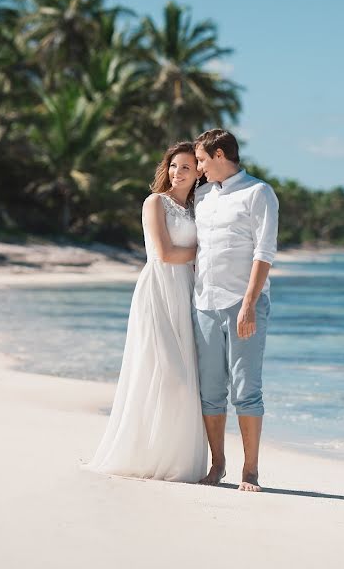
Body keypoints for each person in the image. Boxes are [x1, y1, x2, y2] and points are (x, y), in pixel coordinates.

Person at [83, 142, 208, 482]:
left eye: (186, 167)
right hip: (158, 290)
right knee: (165, 373)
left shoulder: (198, 210)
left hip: (186, 293)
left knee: (186, 375)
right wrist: (207, 251)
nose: (177, 173)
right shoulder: (155, 203)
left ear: (199, 172)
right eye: (173, 166)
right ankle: (145, 455)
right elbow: (165, 253)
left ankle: (175, 460)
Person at [192, 129, 279, 492]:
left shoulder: (258, 193)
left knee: (246, 389)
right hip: (203, 304)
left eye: (202, 160)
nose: (199, 169)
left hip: (244, 304)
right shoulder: (201, 196)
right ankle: (218, 465)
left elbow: (264, 252)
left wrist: (248, 305)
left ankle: (251, 472)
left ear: (221, 154)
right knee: (210, 390)